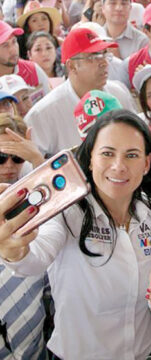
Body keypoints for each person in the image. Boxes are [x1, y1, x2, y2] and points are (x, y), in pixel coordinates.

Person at [0, 109, 151, 359]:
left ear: (147, 163)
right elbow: (34, 259)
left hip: (147, 351)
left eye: (132, 155)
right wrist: (14, 250)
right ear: (91, 157)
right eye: (107, 153)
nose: (119, 166)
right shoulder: (67, 212)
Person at [24, 27, 136, 157]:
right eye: (94, 57)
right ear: (71, 66)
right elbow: (32, 168)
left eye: (105, 54)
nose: (104, 63)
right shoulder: (43, 114)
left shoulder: (119, 92)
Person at [0, 114, 48, 360]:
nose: (8, 166)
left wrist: (38, 160)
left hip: (34, 341)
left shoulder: (36, 201)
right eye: (0, 158)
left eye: (17, 158)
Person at [0, 20, 50, 95]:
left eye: (14, 41)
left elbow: (50, 102)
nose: (13, 49)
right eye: (5, 45)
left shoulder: (33, 70)